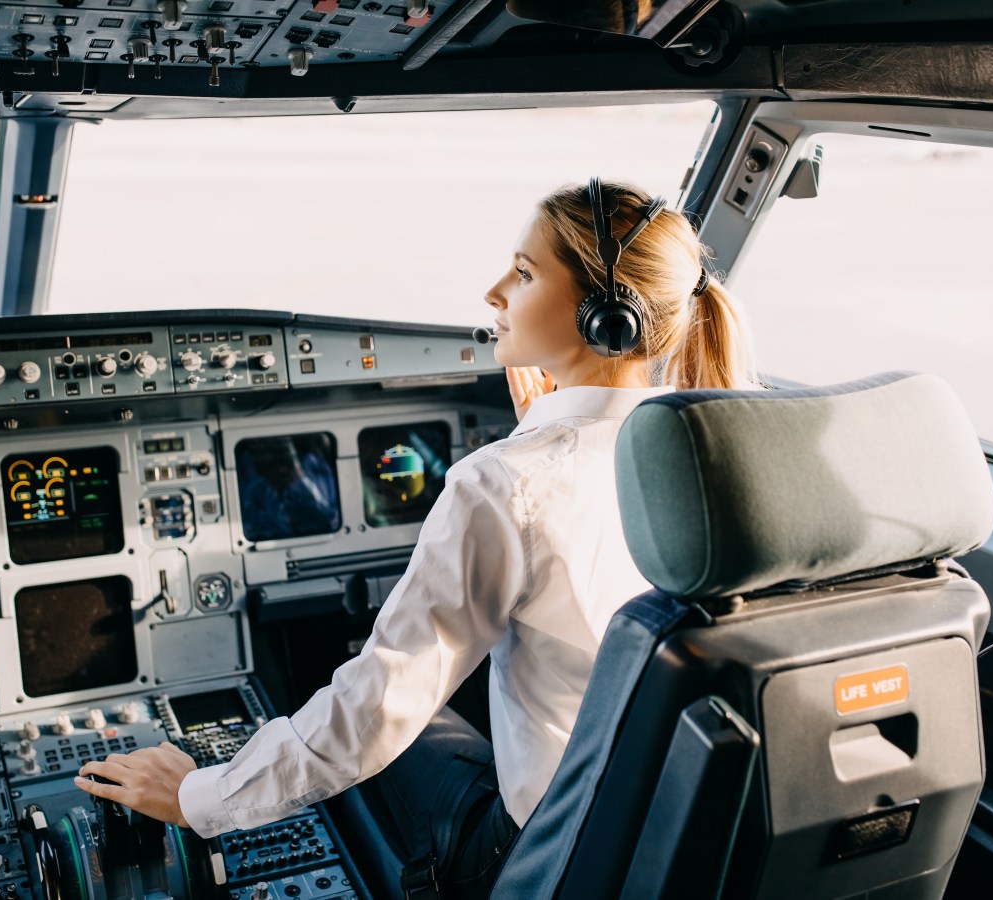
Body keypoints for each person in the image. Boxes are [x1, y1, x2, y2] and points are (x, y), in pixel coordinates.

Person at [74, 178, 756, 897]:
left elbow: (375, 712)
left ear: (602, 316)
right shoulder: (724, 446)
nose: (495, 293)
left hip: (549, 856)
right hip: (683, 830)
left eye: (524, 274)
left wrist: (199, 797)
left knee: (356, 695)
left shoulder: (506, 484)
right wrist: (553, 415)